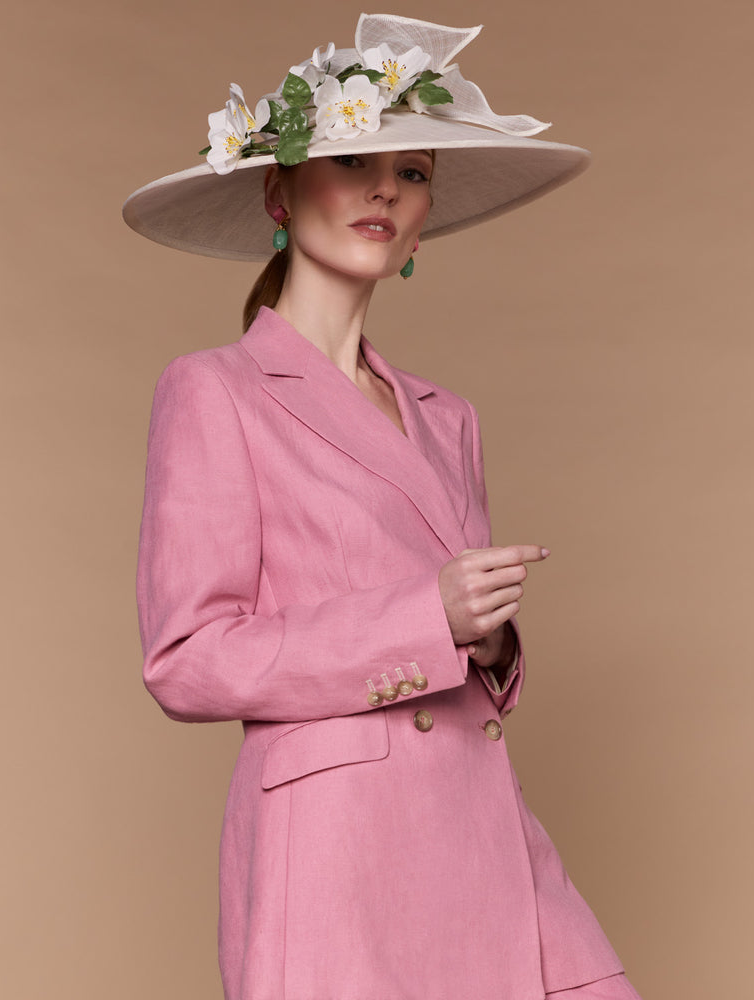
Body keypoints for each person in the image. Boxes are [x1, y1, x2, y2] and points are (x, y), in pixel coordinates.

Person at [124, 13, 641, 1000]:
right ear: (277, 191)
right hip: (339, 853)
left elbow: (465, 648)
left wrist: (491, 641)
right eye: (354, 158)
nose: (385, 191)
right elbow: (185, 659)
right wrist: (427, 616)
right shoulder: (214, 391)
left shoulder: (449, 418)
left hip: (483, 833)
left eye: (412, 171)